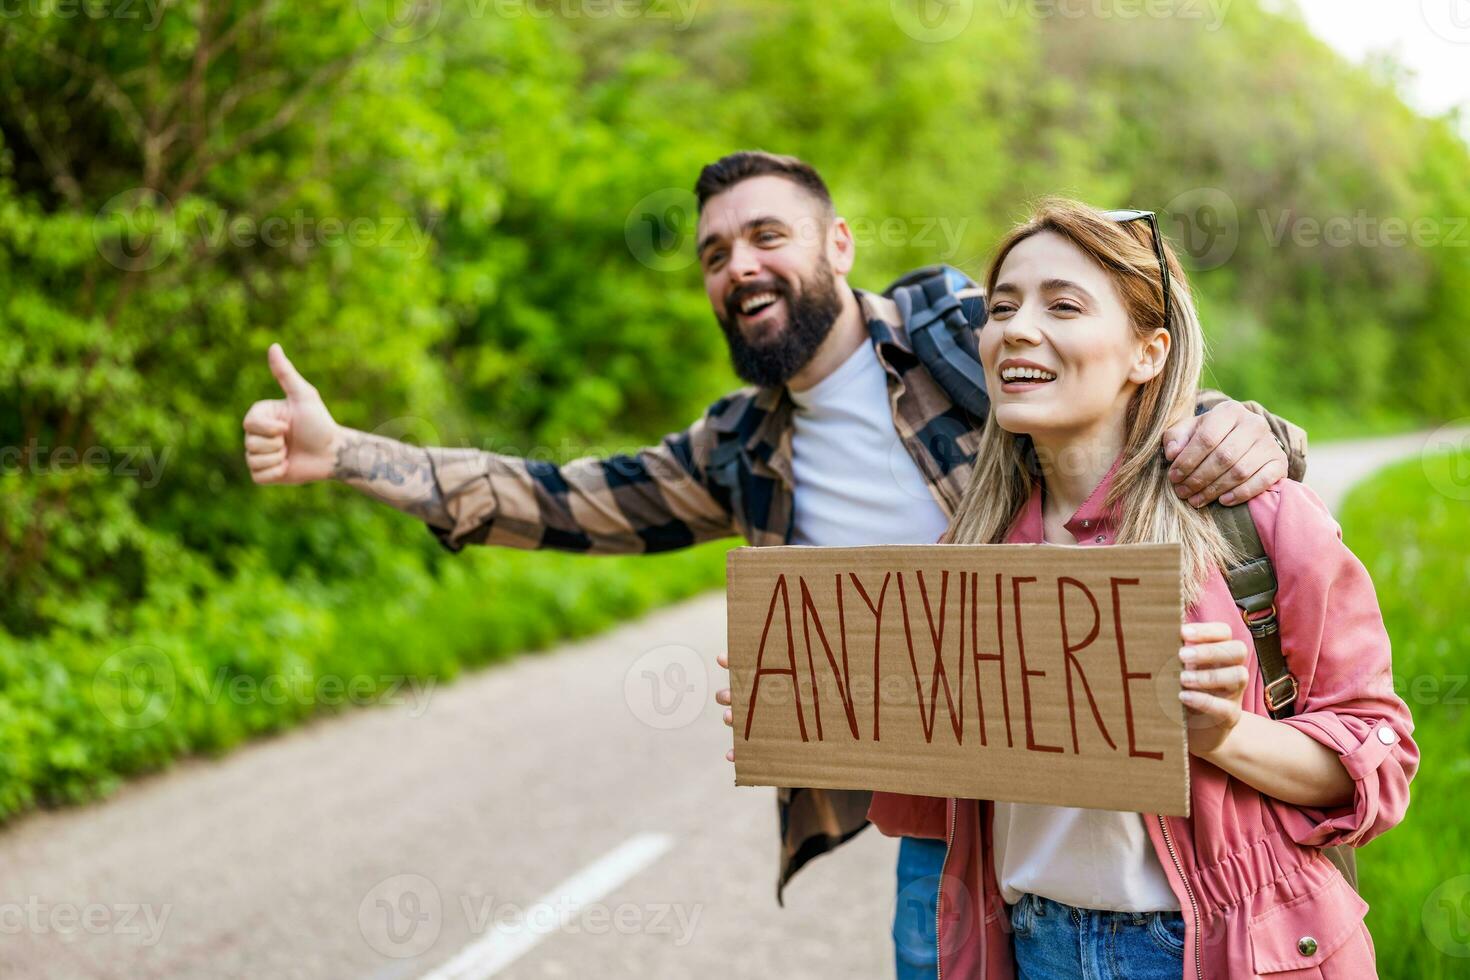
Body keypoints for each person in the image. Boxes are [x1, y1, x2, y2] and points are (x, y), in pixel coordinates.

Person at [242, 152, 1306, 979]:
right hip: (958, 820)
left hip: (1159, 820)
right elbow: (555, 498)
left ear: (837, 244)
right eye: (714, 253)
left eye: (765, 236)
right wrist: (348, 455)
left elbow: (1127, 380)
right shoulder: (736, 447)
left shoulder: (960, 341)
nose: (739, 264)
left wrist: (1262, 429)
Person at [854, 200, 1417, 978]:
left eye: (1063, 305)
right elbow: (938, 795)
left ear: (1147, 353)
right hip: (1032, 947)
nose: (1016, 328)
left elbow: (1380, 767)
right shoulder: (968, 552)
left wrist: (1223, 734)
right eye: (1003, 307)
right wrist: (836, 702)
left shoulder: (1256, 518)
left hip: (1219, 950)